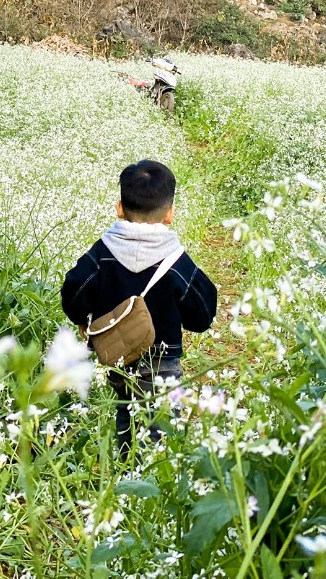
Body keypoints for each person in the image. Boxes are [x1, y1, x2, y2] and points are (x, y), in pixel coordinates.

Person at [62, 160, 218, 457]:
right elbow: (203, 314)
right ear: (169, 214)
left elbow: (73, 290)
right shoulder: (176, 261)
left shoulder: (102, 253)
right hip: (162, 361)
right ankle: (149, 481)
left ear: (119, 208)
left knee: (126, 413)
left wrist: (83, 318)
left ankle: (125, 469)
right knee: (159, 428)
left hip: (117, 357)